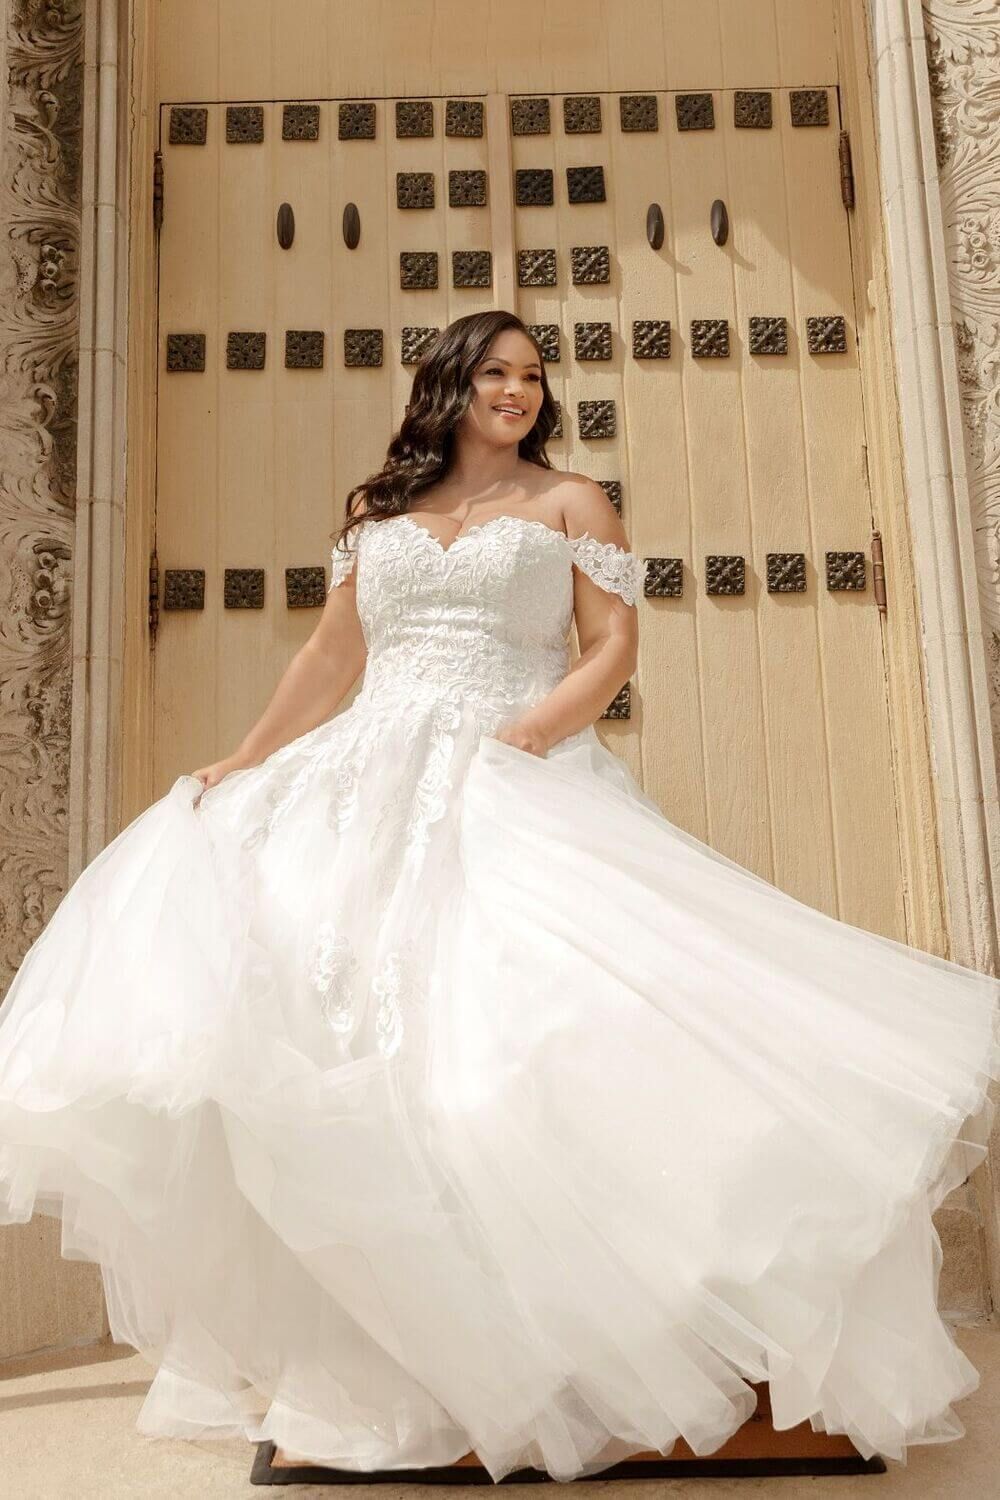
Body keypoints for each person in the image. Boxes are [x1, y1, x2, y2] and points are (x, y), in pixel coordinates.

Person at [1, 309, 998, 1483]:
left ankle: (594, 1348)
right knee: (352, 1035)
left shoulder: (575, 501)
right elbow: (330, 656)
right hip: (371, 778)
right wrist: (249, 755)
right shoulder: (378, 518)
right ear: (450, 386)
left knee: (528, 1041)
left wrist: (529, 733)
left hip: (517, 773)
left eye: (530, 376)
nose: (516, 391)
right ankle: (420, 1359)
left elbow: (611, 643)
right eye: (494, 373)